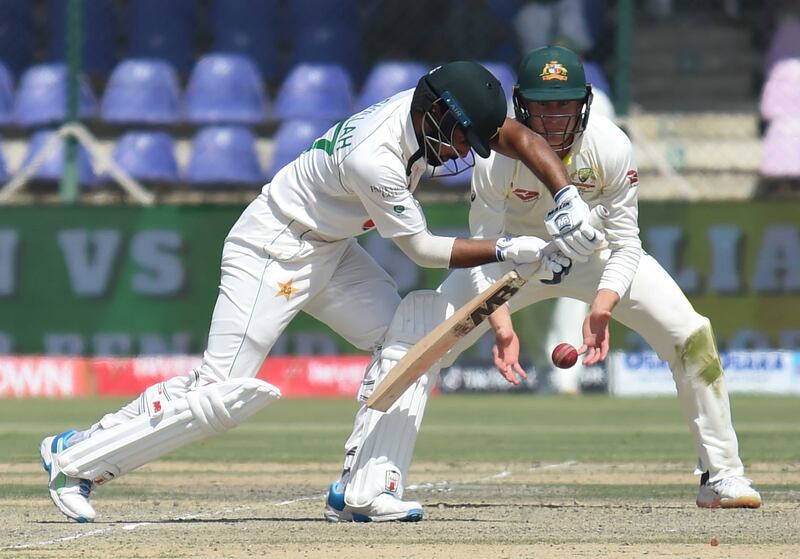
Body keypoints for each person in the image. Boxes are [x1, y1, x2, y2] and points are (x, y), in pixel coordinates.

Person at [39, 61, 603, 523]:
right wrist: (514, 249)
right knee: (220, 394)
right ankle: (76, 460)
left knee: (414, 334)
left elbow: (515, 135)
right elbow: (424, 250)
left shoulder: (432, 106)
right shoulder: (374, 158)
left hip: (330, 249)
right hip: (273, 248)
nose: (462, 153)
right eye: (460, 139)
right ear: (436, 114)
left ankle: (366, 488)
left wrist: (565, 198)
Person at [326, 46, 762, 523]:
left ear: (585, 103)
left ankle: (722, 474)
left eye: (566, 105)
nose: (555, 119)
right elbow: (484, 245)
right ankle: (363, 480)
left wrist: (603, 304)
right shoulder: (495, 159)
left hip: (594, 257)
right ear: (520, 105)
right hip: (516, 258)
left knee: (691, 333)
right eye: (543, 106)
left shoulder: (611, 147)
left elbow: (626, 242)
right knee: (421, 339)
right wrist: (501, 322)